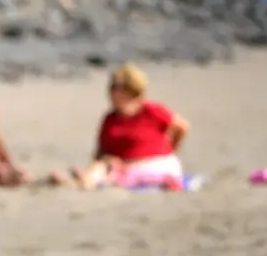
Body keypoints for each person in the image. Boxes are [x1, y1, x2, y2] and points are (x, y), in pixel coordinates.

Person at [50, 63, 190, 189]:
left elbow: (182, 127)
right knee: (105, 166)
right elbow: (101, 150)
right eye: (112, 88)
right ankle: (86, 177)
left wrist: (171, 149)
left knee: (102, 167)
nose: (111, 93)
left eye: (116, 89)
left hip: (156, 165)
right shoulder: (111, 118)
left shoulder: (150, 110)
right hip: (132, 168)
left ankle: (77, 182)